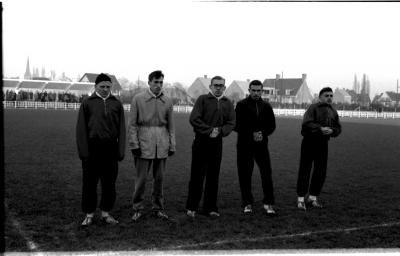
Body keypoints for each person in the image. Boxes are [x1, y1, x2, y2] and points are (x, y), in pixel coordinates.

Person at [76, 73, 126, 226]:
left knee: (109, 183)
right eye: (102, 86)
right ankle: (89, 214)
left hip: (110, 149)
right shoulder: (87, 103)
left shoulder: (117, 104)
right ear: (95, 87)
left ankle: (106, 213)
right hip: (92, 149)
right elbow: (81, 129)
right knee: (89, 183)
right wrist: (84, 152)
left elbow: (122, 129)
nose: (105, 89)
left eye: (108, 87)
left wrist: (120, 150)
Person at [128, 70, 176, 221]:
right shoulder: (138, 99)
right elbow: (132, 125)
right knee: (141, 179)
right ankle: (137, 208)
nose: (158, 85)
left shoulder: (167, 101)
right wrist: (134, 144)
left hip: (162, 144)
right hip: (143, 145)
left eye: (161, 82)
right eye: (155, 82)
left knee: (159, 179)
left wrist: (172, 144)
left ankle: (158, 208)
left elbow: (171, 126)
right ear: (149, 82)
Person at [185, 75, 236, 218]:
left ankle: (210, 207)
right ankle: (192, 207)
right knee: (197, 175)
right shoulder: (202, 99)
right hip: (201, 141)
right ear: (211, 86)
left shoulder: (227, 103)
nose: (218, 88)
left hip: (217, 142)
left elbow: (232, 122)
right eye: (216, 85)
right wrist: (209, 131)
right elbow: (194, 118)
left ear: (224, 87)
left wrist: (220, 131)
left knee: (213, 176)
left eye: (221, 85)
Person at [234, 80, 277, 215]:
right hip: (244, 145)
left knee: (266, 174)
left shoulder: (267, 106)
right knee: (245, 175)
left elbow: (272, 125)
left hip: (262, 146)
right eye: (254, 90)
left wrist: (262, 133)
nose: (256, 93)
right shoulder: (241, 105)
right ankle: (247, 203)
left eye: (259, 90)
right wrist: (251, 134)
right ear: (249, 90)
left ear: (262, 91)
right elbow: (236, 125)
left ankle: (268, 203)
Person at [296, 87, 342, 210]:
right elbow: (306, 124)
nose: (329, 98)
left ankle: (312, 198)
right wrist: (320, 128)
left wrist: (332, 130)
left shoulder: (333, 111)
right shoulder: (313, 108)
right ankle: (300, 199)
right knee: (305, 170)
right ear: (320, 97)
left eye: (331, 96)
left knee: (320, 171)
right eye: (326, 95)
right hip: (309, 142)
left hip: (323, 144)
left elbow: (338, 128)